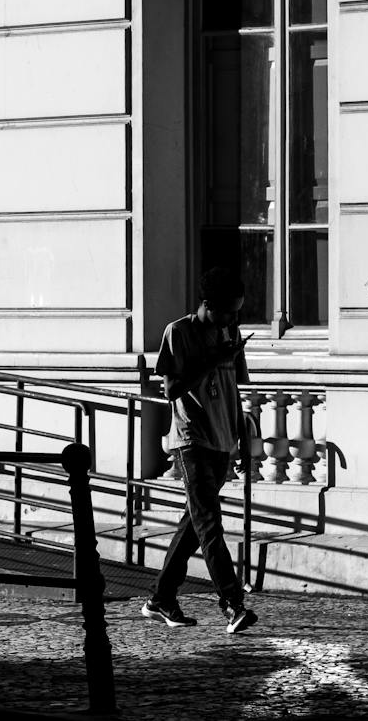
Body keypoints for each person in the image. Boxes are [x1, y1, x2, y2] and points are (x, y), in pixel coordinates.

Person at [141, 266, 259, 635]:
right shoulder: (178, 332)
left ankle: (161, 598)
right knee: (208, 520)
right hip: (191, 439)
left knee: (194, 523)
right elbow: (171, 388)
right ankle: (231, 602)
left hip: (222, 438)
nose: (233, 318)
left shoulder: (231, 332)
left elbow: (233, 388)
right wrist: (210, 358)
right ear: (208, 305)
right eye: (229, 311)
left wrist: (241, 436)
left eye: (238, 312)